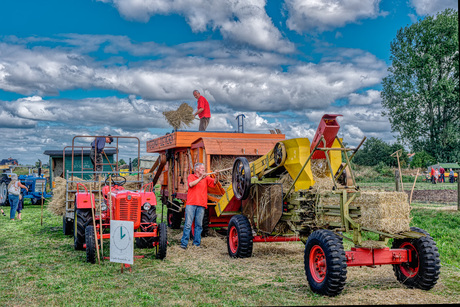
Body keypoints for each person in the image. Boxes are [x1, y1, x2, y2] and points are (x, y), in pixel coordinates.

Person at [180, 162, 218, 249]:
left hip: (201, 204)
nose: (204, 170)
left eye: (204, 169)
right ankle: (184, 244)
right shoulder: (191, 176)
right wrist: (201, 178)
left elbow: (214, 183)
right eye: (202, 169)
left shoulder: (206, 178)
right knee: (188, 224)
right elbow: (191, 184)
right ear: (196, 169)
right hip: (191, 204)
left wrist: (217, 176)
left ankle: (196, 244)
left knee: (199, 225)